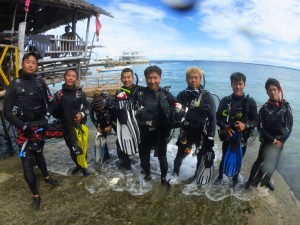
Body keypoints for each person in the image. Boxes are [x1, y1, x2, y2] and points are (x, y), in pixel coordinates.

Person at [3, 52, 59, 210]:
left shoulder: (40, 82)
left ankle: (47, 177)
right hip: (23, 130)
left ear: (36, 66)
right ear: (22, 64)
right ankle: (35, 195)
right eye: (28, 62)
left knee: (39, 153)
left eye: (34, 63)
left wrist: (46, 117)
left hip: (39, 127)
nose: (31, 65)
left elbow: (52, 102)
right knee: (27, 163)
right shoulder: (15, 85)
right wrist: (24, 127)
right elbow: (6, 113)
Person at [135, 65, 184, 185]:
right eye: (149, 78)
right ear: (145, 78)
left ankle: (163, 178)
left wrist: (180, 110)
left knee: (162, 157)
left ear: (160, 78)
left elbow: (179, 112)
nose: (152, 81)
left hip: (160, 131)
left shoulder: (166, 95)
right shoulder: (140, 93)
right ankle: (147, 175)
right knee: (144, 156)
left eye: (155, 78)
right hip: (143, 131)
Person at [245, 78, 293, 190]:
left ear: (279, 90)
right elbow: (260, 128)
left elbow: (289, 127)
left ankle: (266, 181)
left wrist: (281, 141)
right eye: (270, 90)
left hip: (280, 141)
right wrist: (273, 140)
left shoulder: (286, 107)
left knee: (274, 162)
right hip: (268, 139)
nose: (273, 92)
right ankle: (250, 181)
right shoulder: (264, 109)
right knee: (259, 161)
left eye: (275, 89)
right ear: (267, 92)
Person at [172, 67, 216, 182]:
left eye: (196, 78)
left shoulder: (207, 96)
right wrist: (177, 113)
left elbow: (213, 118)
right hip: (186, 132)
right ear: (186, 79)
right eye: (190, 78)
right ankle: (174, 174)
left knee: (201, 157)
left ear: (200, 79)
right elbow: (174, 117)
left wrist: (211, 136)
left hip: (201, 133)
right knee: (180, 155)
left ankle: (197, 177)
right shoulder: (182, 96)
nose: (193, 80)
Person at [215, 72, 258, 186]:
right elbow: (217, 118)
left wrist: (246, 125)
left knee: (239, 158)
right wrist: (225, 127)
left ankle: (234, 180)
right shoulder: (226, 101)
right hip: (228, 135)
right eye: (235, 84)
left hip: (242, 138)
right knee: (225, 156)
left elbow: (256, 121)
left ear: (244, 85)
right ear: (231, 84)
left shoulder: (250, 102)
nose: (238, 87)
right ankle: (220, 177)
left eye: (240, 84)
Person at [52, 69, 91, 176]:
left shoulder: (79, 93)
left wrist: (82, 114)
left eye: (73, 76)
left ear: (75, 79)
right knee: (72, 148)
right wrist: (55, 105)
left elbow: (88, 106)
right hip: (66, 127)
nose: (70, 78)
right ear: (64, 77)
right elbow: (55, 114)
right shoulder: (58, 95)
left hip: (78, 126)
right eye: (68, 75)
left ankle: (84, 167)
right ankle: (78, 165)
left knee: (81, 148)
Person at [115, 67, 141, 170]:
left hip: (139, 123)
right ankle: (126, 166)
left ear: (133, 78)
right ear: (121, 79)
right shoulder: (119, 92)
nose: (126, 80)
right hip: (126, 123)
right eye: (124, 78)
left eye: (129, 77)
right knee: (119, 144)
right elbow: (116, 110)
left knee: (142, 146)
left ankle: (144, 168)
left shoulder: (140, 90)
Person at [90, 90, 115, 162]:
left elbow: (116, 117)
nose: (101, 110)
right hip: (101, 120)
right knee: (101, 138)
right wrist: (97, 127)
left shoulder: (109, 104)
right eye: (99, 109)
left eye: (102, 108)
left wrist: (110, 126)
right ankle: (106, 158)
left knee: (119, 137)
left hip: (111, 118)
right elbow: (92, 118)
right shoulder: (93, 105)